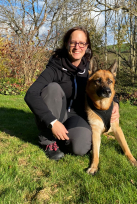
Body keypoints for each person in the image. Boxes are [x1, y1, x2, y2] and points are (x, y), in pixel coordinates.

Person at [24, 26, 120, 160]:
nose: (77, 47)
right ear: (66, 44)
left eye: (81, 43)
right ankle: (48, 141)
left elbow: (107, 83)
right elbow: (31, 94)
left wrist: (115, 103)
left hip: (78, 116)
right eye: (73, 42)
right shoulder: (54, 67)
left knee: (81, 148)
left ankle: (65, 138)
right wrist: (52, 122)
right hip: (57, 114)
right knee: (52, 88)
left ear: (87, 46)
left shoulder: (91, 69)